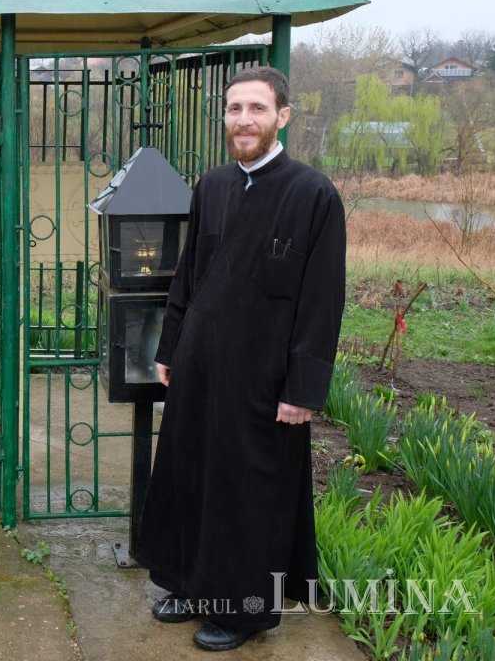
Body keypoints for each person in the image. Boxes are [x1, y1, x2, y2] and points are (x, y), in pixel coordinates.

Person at [140, 67, 346, 651]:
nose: (243, 120)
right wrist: (171, 347)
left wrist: (303, 390)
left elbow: (322, 301)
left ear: (283, 115)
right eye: (234, 109)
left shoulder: (313, 195)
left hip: (265, 378)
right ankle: (189, 581)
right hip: (202, 366)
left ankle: (244, 608)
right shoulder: (212, 186)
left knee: (248, 491)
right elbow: (188, 278)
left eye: (256, 108)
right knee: (190, 474)